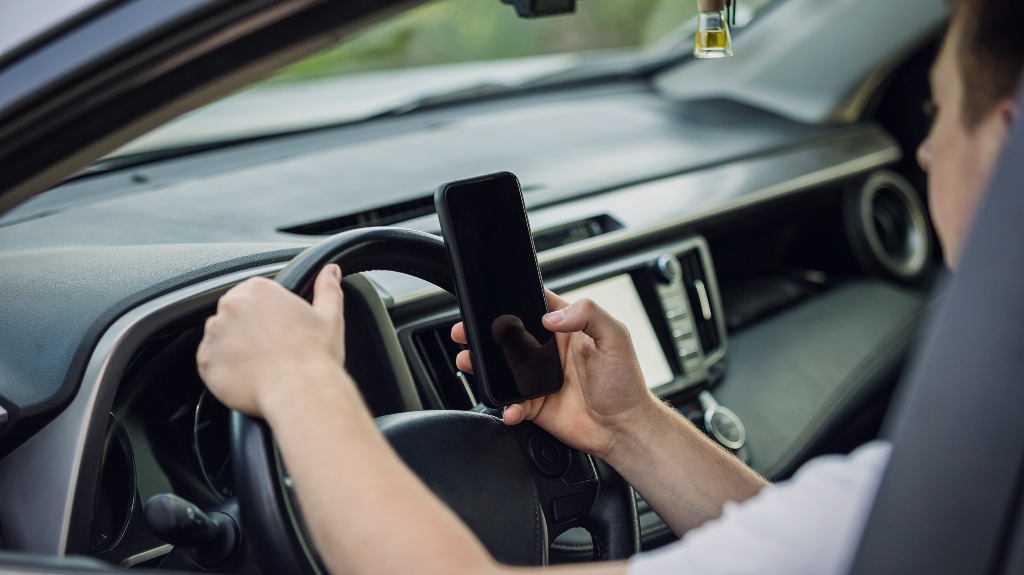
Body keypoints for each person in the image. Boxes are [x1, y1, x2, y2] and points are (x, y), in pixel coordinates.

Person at [195, 0, 1022, 573]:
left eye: (937, 109)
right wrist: (627, 426)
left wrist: (300, 383)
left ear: (1009, 137)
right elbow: (826, 548)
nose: (924, 150)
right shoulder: (959, 494)